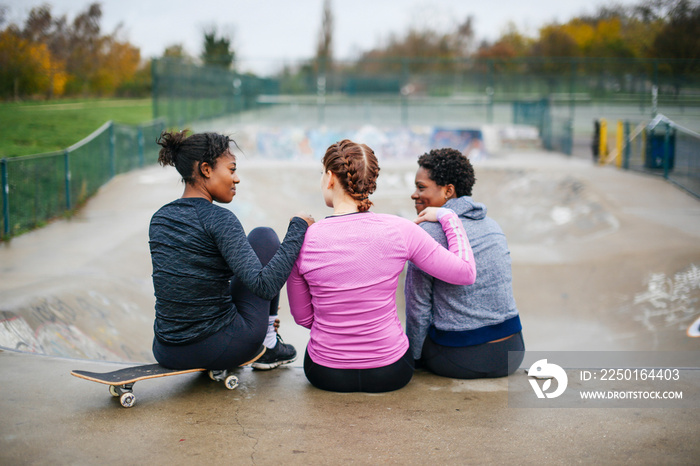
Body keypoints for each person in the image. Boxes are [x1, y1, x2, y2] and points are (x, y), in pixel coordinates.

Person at [286, 139, 476, 393]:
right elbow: (465, 272)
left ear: (330, 177)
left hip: (326, 373)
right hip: (391, 371)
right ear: (370, 182)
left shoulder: (302, 240)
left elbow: (303, 318)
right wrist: (449, 216)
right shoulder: (400, 230)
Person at [149, 129, 314, 372]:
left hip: (166, 350)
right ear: (206, 169)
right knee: (264, 237)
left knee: (252, 254)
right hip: (217, 347)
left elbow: (191, 281)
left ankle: (267, 335)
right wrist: (298, 228)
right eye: (232, 169)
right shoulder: (218, 218)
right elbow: (265, 286)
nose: (236, 179)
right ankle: (268, 344)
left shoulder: (159, 218)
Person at [405, 148, 524, 379]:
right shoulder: (493, 226)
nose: (414, 194)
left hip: (461, 358)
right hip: (512, 352)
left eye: (421, 187)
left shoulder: (427, 233)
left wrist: (414, 359)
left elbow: (417, 309)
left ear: (448, 190)